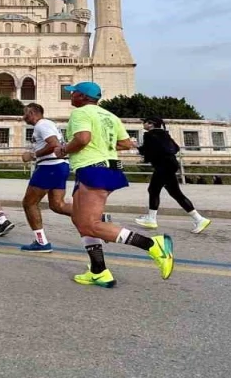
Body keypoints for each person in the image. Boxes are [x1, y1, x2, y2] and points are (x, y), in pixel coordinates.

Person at [56, 82, 173, 288]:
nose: (71, 95)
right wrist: (102, 146)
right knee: (79, 219)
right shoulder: (110, 116)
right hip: (105, 168)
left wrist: (64, 149)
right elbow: (127, 143)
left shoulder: (81, 113)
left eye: (73, 92)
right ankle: (98, 271)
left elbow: (82, 138)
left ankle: (153, 244)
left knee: (90, 224)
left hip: (93, 169)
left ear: (82, 97)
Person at [135, 118, 211, 234]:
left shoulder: (149, 135)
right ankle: (199, 219)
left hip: (162, 166)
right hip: (171, 164)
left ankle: (151, 219)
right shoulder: (165, 134)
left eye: (145, 122)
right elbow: (176, 148)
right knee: (175, 193)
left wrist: (136, 146)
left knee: (153, 190)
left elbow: (148, 152)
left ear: (151, 124)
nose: (143, 124)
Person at [18, 103, 71, 253]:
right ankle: (96, 218)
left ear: (33, 113)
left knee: (29, 203)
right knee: (57, 205)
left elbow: (53, 144)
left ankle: (41, 242)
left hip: (49, 167)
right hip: (60, 166)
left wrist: (33, 155)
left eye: (25, 113)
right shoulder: (48, 124)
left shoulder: (42, 124)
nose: (23, 117)